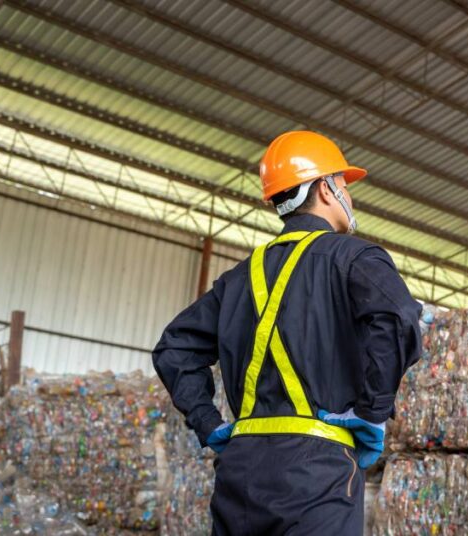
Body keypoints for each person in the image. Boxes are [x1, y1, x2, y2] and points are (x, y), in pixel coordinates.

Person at [152, 130, 422, 535]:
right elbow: (399, 317)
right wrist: (371, 411)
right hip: (318, 472)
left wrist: (208, 422)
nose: (349, 197)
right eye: (345, 186)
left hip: (239, 471)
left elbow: (174, 348)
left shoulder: (239, 278)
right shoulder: (355, 258)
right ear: (326, 189)